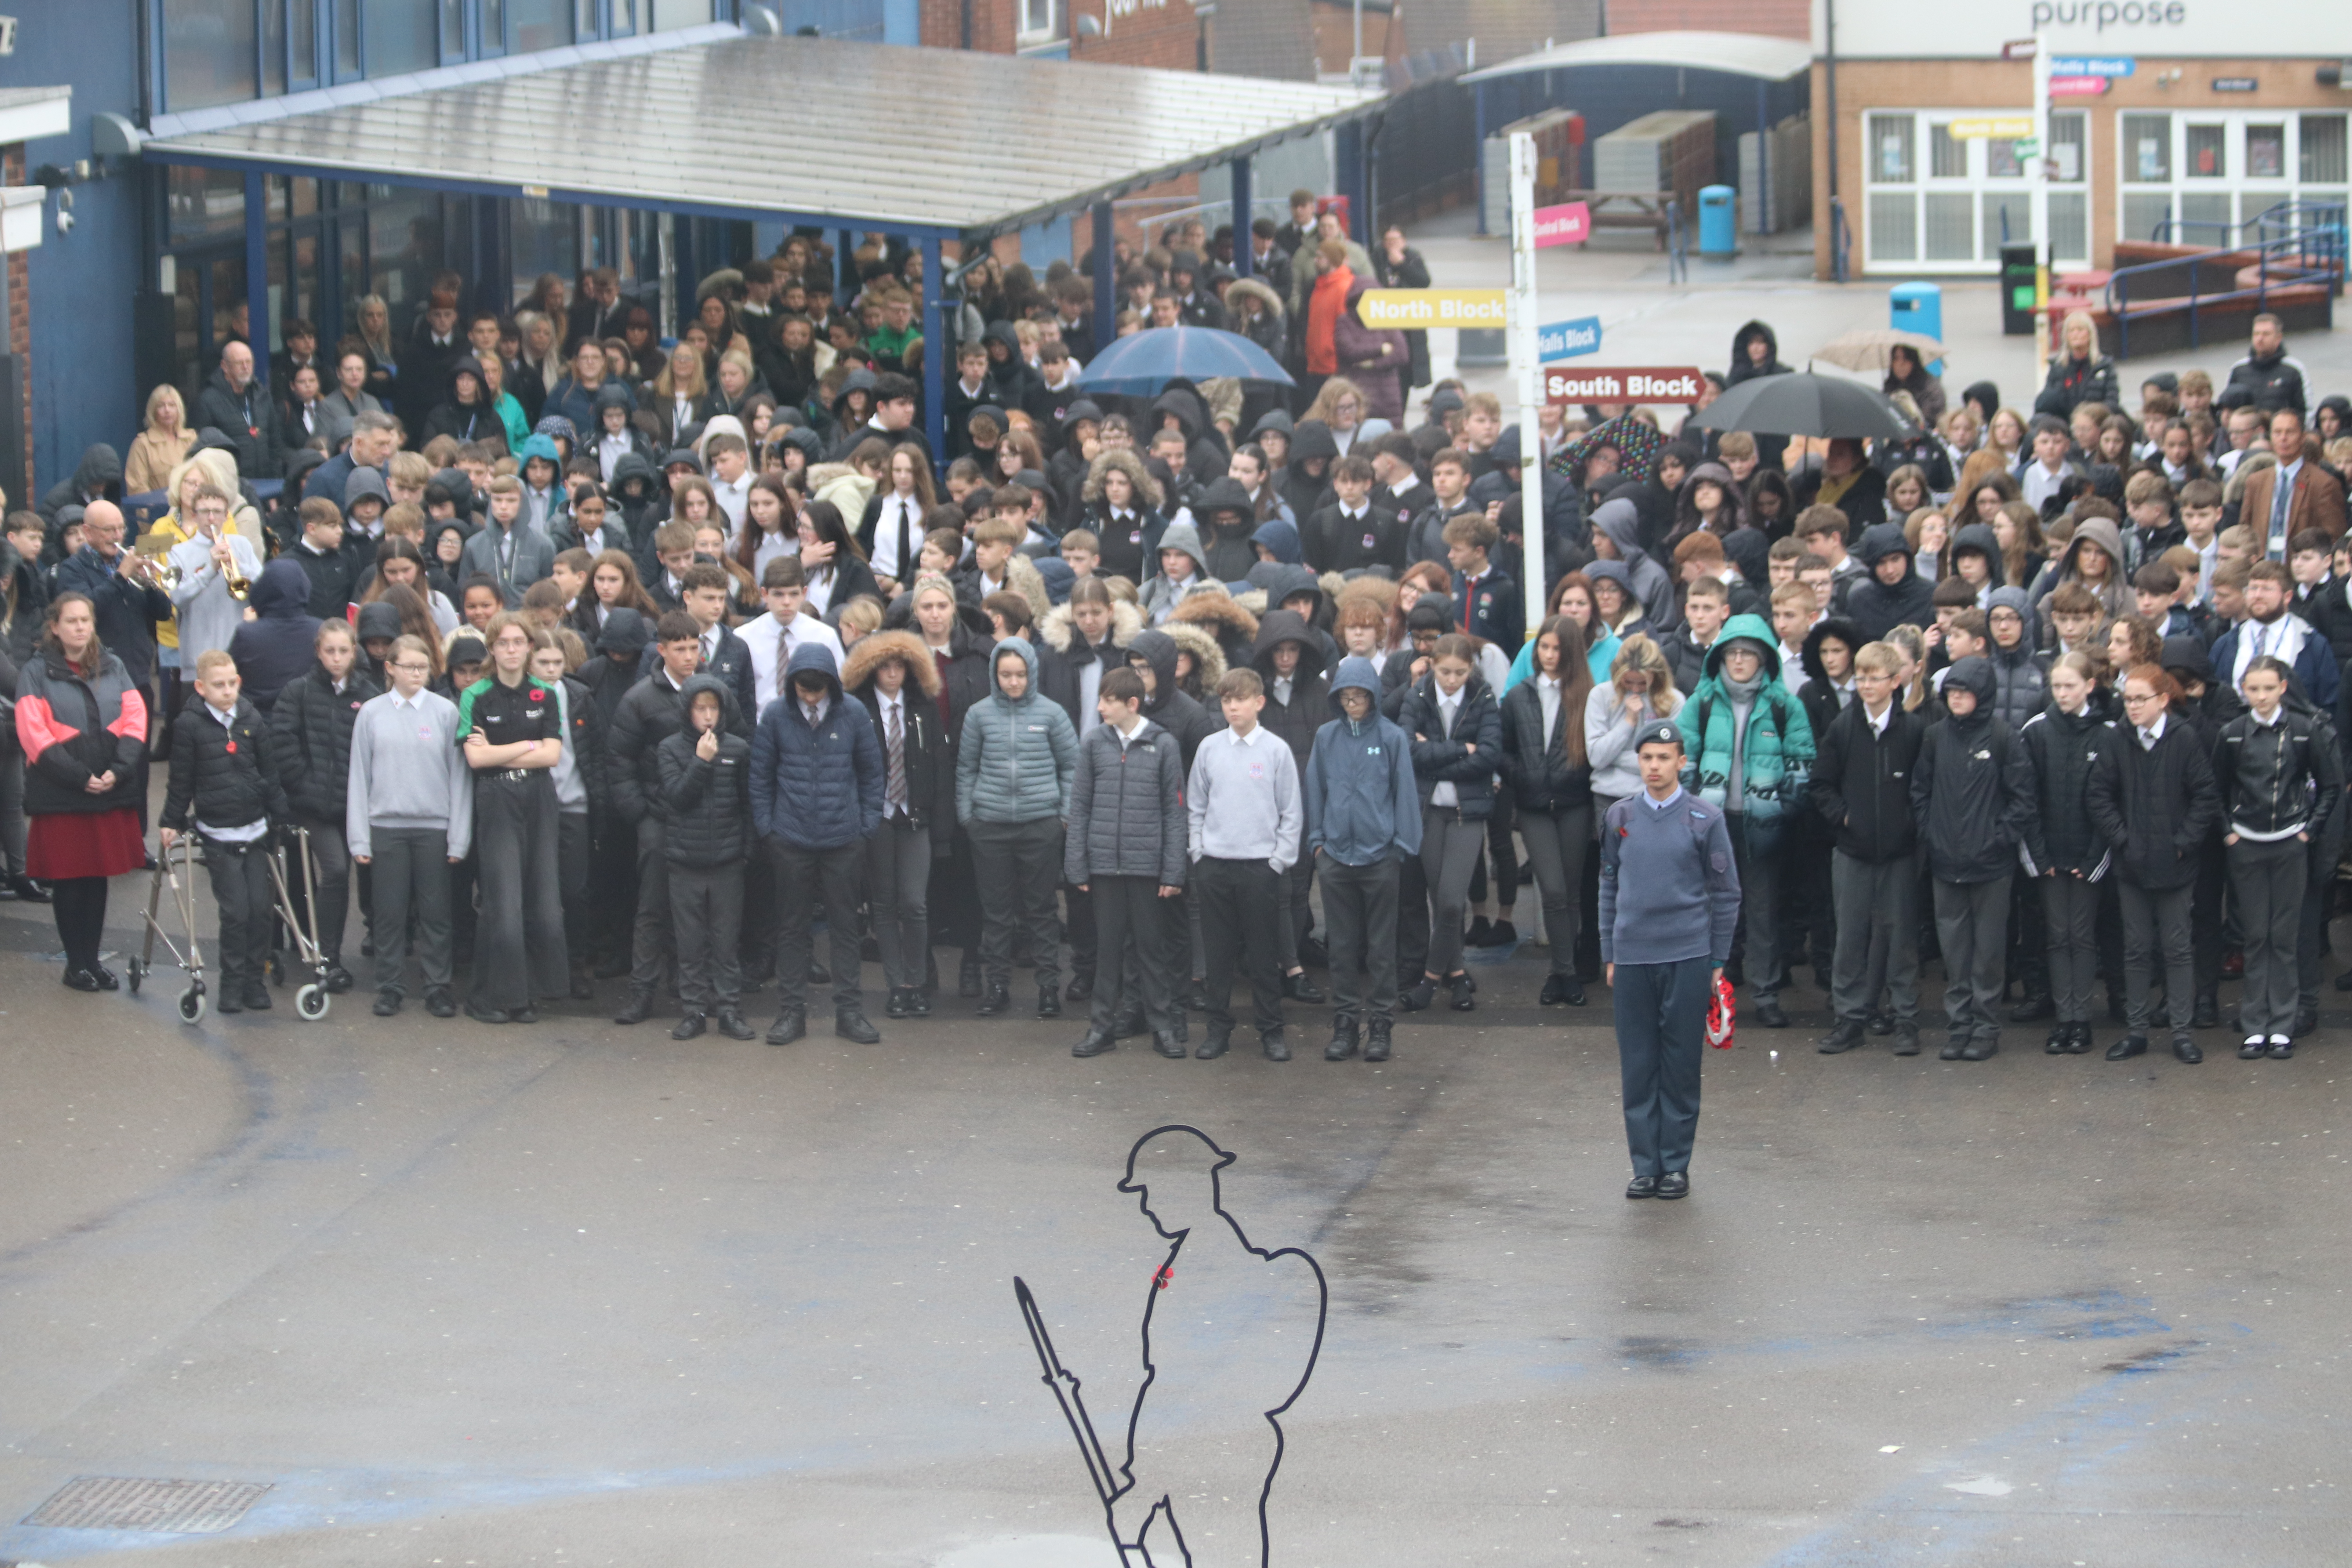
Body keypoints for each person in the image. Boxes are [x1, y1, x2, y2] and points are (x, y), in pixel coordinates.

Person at [1601, 720, 1740, 1200]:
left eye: (1664, 758)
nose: (1655, 767)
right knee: (1638, 1064)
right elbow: (1608, 885)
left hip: (1687, 954)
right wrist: (1609, 951)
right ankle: (1645, 1165)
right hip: (1633, 956)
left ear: (1682, 762)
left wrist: (1717, 958)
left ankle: (1676, 1164)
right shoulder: (1620, 816)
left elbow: (1727, 892)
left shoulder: (1705, 818)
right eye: (1647, 758)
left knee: (1680, 1063)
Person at [1676, 613, 1812, 1028]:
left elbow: (1802, 765)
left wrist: (1781, 809)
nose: (1738, 660)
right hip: (1712, 826)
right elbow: (1683, 760)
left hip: (1761, 828)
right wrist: (1694, 811)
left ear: (1763, 660)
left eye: (1747, 654)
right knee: (1708, 911)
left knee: (1763, 914)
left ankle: (1766, 994)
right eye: (1731, 653)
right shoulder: (1701, 702)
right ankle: (1706, 994)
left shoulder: (1784, 705)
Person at [751, 642, 886, 1045]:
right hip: (790, 838)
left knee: (845, 930)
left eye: (817, 690)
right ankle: (791, 1014)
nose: (810, 698)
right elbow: (760, 776)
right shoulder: (776, 715)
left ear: (831, 685)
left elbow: (872, 772)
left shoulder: (854, 713)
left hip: (843, 839)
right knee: (792, 929)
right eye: (803, 690)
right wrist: (768, 829)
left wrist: (866, 826)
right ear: (792, 685)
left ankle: (850, 1013)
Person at [1908, 655, 2042, 1062]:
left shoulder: (2004, 737)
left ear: (1982, 695)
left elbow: (2023, 799)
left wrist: (1998, 840)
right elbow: (1920, 791)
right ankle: (1959, 1026)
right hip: (1946, 863)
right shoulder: (1935, 737)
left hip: (1991, 866)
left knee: (1988, 954)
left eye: (1964, 692)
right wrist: (1932, 833)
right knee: (1955, 953)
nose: (1956, 699)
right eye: (1951, 692)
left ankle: (1985, 1028)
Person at [14, 594, 147, 989]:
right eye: (71, 621)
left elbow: (135, 718)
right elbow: (33, 734)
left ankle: (93, 960)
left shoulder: (114, 665)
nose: (80, 627)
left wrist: (119, 770)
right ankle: (76, 965)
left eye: (85, 620)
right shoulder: (35, 671)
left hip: (108, 786)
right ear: (55, 627)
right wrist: (79, 777)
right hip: (62, 792)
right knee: (70, 879)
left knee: (96, 877)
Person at [2088, 664, 2220, 1064]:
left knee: (2177, 949)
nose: (2132, 706)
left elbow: (2205, 796)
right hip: (2132, 864)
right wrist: (2124, 840)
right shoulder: (2118, 739)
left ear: (2163, 700)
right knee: (2136, 949)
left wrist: (2183, 844)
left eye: (2140, 699)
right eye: (2128, 699)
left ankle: (2182, 1032)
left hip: (2176, 864)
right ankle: (2137, 1031)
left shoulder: (2184, 738)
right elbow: (2099, 795)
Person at [2217, 655, 2342, 1062]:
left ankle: (2282, 1026)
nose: (2262, 696)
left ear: (2283, 688)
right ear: (2243, 690)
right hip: (2248, 844)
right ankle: (2255, 1025)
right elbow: (2216, 788)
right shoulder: (2232, 733)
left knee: (2284, 938)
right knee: (2256, 937)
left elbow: (2330, 784)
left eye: (2269, 688)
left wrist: (2309, 830)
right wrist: (2229, 832)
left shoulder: (2304, 730)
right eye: (2254, 689)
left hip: (2289, 842)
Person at [1063, 666, 1189, 1060]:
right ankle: (1101, 1028)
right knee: (1108, 951)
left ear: (1132, 704)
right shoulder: (1094, 744)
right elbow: (1080, 807)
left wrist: (1173, 870)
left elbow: (1175, 811)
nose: (1100, 707)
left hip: (1147, 868)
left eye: (1108, 700)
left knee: (1152, 950)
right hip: (1104, 867)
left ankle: (1162, 1027)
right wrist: (1077, 864)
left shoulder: (1163, 745)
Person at [158, 648, 288, 1013]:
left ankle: (254, 981)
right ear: (201, 688)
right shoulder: (189, 726)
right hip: (218, 831)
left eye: (232, 683)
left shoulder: (251, 718)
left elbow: (269, 771)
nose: (228, 691)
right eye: (219, 685)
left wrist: (280, 812)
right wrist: (171, 820)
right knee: (236, 911)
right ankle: (232, 984)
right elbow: (181, 779)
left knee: (261, 909)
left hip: (255, 829)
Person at [957, 635, 1080, 1019]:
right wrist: (968, 816)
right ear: (995, 675)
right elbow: (967, 767)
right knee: (996, 913)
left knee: (1041, 910)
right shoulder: (978, 715)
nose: (1013, 682)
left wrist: (1063, 817)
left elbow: (1072, 767)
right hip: (990, 827)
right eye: (1006, 675)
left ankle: (1048, 987)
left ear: (1032, 674)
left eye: (1020, 674)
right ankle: (997, 986)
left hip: (1040, 826)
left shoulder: (1052, 714)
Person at [347, 634, 468, 1018]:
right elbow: (360, 776)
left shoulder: (446, 712)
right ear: (390, 668)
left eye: (423, 667)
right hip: (386, 826)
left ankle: (437, 986)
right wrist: (359, 838)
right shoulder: (372, 713)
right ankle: (390, 986)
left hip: (434, 827)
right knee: (389, 913)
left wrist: (458, 837)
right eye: (409, 667)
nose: (417, 674)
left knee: (436, 913)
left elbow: (459, 778)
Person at [454, 614, 568, 1024]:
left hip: (539, 797)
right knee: (503, 900)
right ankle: (490, 998)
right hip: (496, 797)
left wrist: (501, 750)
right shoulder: (476, 695)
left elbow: (552, 755)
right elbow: (476, 758)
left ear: (530, 647)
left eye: (519, 642)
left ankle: (527, 994)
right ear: (492, 648)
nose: (511, 649)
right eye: (503, 643)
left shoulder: (546, 693)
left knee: (543, 898)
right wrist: (527, 745)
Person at [1187, 667, 1303, 1060]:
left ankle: (1271, 1030)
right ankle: (1217, 1030)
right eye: (1226, 700)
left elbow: (1291, 811)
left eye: (1240, 699)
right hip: (1215, 866)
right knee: (1218, 956)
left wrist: (1278, 861)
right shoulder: (1210, 748)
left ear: (1259, 702)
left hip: (1260, 868)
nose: (1232, 707)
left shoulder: (1276, 751)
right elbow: (1196, 805)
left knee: (1263, 954)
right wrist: (1199, 852)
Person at [844, 630, 954, 1021]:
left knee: (914, 902)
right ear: (872, 670)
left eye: (899, 666)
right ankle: (897, 985)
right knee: (884, 903)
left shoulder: (922, 708)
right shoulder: (859, 710)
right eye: (884, 666)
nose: (892, 673)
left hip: (914, 813)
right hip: (878, 815)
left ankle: (917, 981)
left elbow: (939, 767)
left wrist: (941, 828)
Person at [268, 619, 379, 995]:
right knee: (335, 870)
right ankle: (328, 958)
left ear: (354, 652)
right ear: (318, 652)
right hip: (312, 805)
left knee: (343, 875)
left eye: (344, 651)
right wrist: (304, 785)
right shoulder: (298, 691)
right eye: (329, 651)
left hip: (353, 804)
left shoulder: (369, 695)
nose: (336, 658)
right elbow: (282, 743)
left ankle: (327, 952)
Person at [1400, 633, 1501, 1013]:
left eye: (1460, 672)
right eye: (1445, 672)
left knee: (1451, 902)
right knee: (1440, 901)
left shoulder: (1483, 696)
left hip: (1467, 812)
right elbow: (1408, 750)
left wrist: (1435, 756)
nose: (1452, 680)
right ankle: (1457, 976)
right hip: (1428, 811)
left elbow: (1489, 755)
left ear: (1471, 669)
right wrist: (1462, 749)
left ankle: (1429, 982)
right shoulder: (1417, 695)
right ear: (1432, 666)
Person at [1500, 615, 1595, 1007]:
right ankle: (1566, 972)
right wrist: (1522, 776)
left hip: (1574, 803)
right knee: (1554, 891)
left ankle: (1562, 972)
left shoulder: (1587, 695)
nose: (1550, 655)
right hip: (1534, 805)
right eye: (1544, 647)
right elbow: (1503, 748)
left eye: (1557, 648)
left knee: (1570, 893)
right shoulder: (1518, 695)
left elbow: (1594, 750)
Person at [657, 675, 758, 1042]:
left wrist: (746, 851)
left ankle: (729, 1010)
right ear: (687, 711)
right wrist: (701, 761)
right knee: (690, 944)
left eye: (713, 708)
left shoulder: (738, 749)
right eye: (700, 708)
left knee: (726, 943)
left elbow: (748, 804)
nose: (708, 716)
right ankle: (694, 1011)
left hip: (727, 861)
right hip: (685, 860)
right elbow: (677, 798)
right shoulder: (670, 749)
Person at [2237, 409, 2348, 556]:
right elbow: (2245, 532)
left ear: (2302, 437)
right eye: (2278, 433)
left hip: (2300, 564)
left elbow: (2334, 538)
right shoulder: (2256, 482)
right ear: (2270, 437)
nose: (2283, 438)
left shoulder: (2323, 484)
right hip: (2262, 564)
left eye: (2290, 432)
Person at [196, 341, 283, 480]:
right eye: (239, 363)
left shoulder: (262, 395)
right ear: (225, 366)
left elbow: (275, 443)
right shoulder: (208, 400)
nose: (246, 367)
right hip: (231, 483)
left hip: (267, 483)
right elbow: (204, 451)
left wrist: (275, 479)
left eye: (249, 362)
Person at [2034, 311, 2120, 420]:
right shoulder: (2058, 367)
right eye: (2071, 331)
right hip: (2064, 423)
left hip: (2096, 422)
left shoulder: (2104, 366)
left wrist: (2091, 416)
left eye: (2080, 330)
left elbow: (2112, 402)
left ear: (2090, 334)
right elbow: (2047, 402)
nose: (2075, 334)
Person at [2220, 312, 2308, 418]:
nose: (2260, 339)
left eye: (2266, 334)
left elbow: (2306, 410)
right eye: (2256, 334)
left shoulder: (2294, 369)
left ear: (2279, 338)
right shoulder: (2238, 369)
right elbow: (2227, 406)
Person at [126, 385, 199, 496]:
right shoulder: (143, 444)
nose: (167, 410)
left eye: (172, 405)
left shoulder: (191, 439)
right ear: (153, 411)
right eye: (161, 406)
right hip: (159, 505)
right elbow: (137, 487)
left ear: (179, 409)